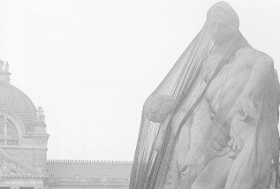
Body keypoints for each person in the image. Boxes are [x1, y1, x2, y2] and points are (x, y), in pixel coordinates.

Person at [129, 2, 280, 189]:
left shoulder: (243, 55)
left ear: (233, 27)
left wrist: (247, 95)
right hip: (229, 144)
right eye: (212, 25)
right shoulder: (208, 73)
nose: (216, 30)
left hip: (253, 140)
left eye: (221, 25)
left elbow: (265, 62)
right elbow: (199, 113)